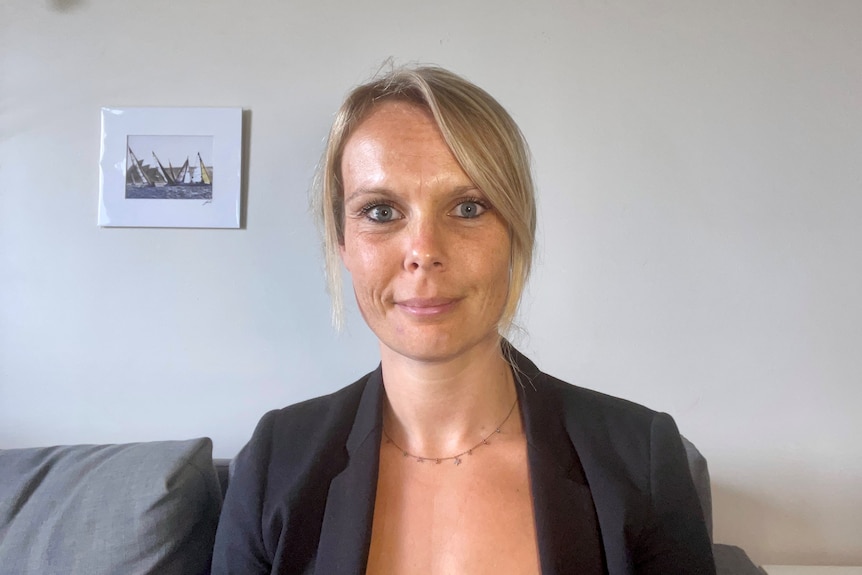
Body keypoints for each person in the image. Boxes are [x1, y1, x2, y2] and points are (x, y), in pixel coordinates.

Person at [212, 65, 715, 575]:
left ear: (516, 232)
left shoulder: (640, 459)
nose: (424, 252)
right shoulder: (274, 463)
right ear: (342, 240)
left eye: (468, 207)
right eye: (382, 212)